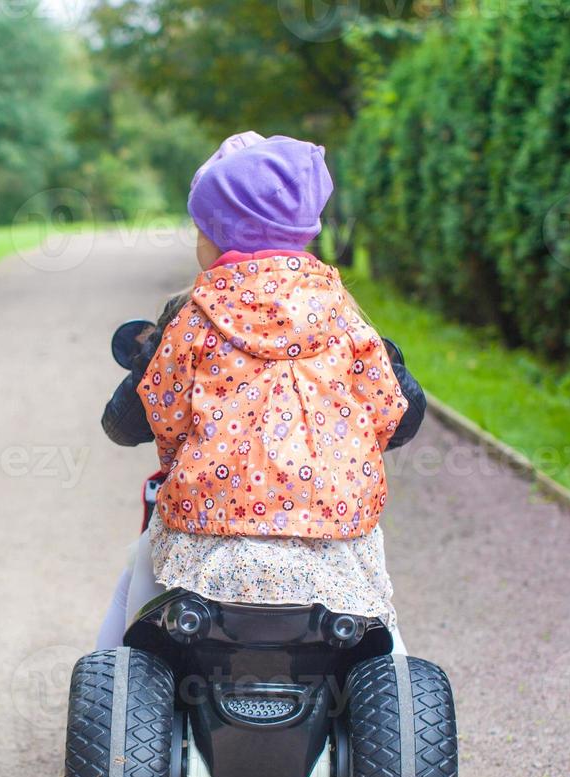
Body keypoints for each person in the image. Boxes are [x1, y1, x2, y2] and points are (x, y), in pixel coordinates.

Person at [96, 132, 425, 650]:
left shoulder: (193, 320)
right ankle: (401, 697)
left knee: (132, 600)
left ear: (218, 236)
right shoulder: (343, 316)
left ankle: (108, 695)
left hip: (209, 536)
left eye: (200, 227)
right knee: (380, 623)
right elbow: (394, 415)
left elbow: (158, 413)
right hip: (333, 537)